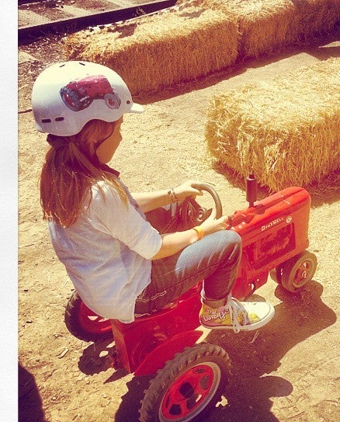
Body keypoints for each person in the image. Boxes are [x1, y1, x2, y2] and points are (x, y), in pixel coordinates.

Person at [33, 61, 274, 333]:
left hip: (101, 286)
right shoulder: (102, 192)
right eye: (119, 127)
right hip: (137, 293)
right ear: (95, 135)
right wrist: (201, 231)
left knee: (170, 210)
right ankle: (217, 311)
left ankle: (191, 264)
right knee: (229, 243)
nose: (121, 137)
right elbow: (153, 249)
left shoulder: (63, 175)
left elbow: (124, 206)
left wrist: (174, 194)